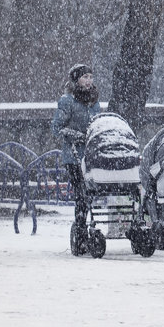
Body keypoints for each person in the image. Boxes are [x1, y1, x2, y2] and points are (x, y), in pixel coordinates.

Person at [52, 63, 101, 237]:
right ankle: (80, 231)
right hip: (73, 157)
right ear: (76, 80)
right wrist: (76, 135)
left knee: (95, 193)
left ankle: (95, 224)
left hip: (92, 156)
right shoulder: (67, 101)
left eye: (90, 77)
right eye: (85, 77)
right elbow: (56, 128)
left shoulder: (95, 101)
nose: (88, 81)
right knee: (82, 195)